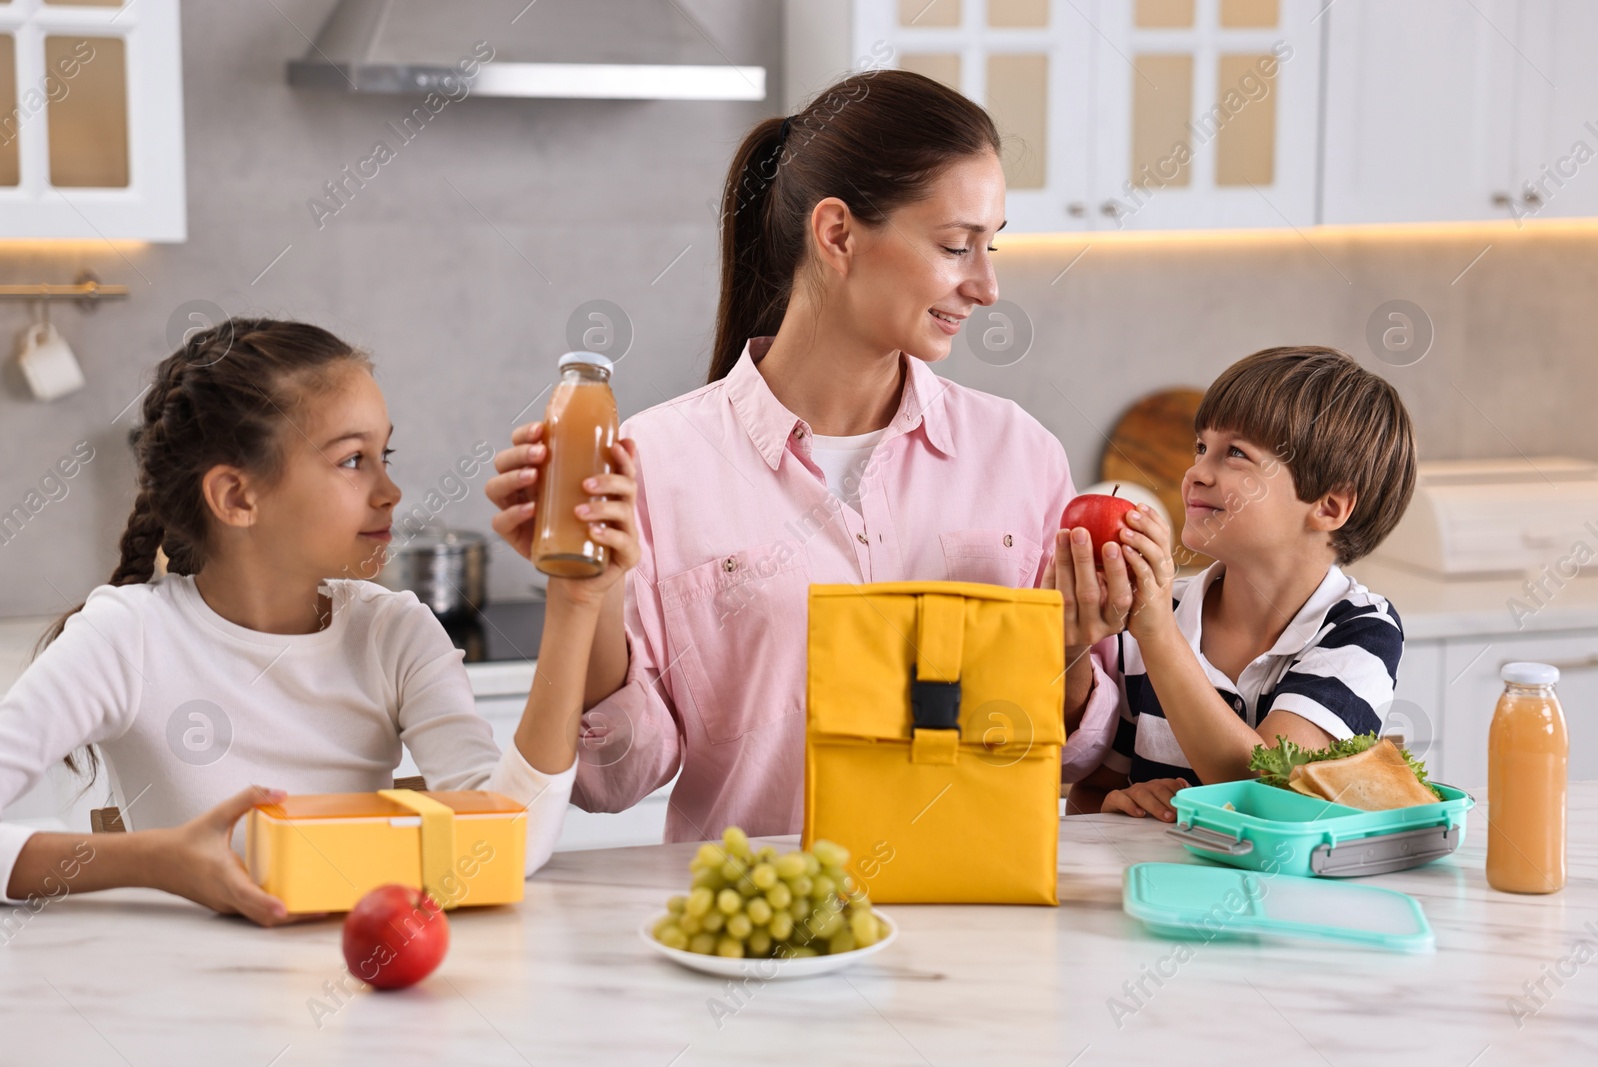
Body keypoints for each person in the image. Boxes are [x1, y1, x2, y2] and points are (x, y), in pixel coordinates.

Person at [486, 70, 1128, 842]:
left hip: (977, 924)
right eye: (957, 246)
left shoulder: (1019, 454)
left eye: (989, 246)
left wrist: (1063, 653)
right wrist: (589, 595)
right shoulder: (654, 463)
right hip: (766, 932)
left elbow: (1076, 755)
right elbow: (609, 778)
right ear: (836, 235)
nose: (987, 286)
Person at [0, 319, 639, 924]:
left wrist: (575, 605)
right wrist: (157, 863)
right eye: (352, 460)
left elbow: (509, 842)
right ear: (237, 497)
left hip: (369, 983)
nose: (390, 492)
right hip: (181, 1001)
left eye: (385, 453)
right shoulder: (128, 638)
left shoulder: (394, 632)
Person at [1068, 346, 1418, 821]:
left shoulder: (1360, 631)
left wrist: (1157, 635)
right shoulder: (1159, 611)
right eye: (1200, 447)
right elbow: (1090, 794)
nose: (1195, 473)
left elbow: (1268, 787)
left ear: (1329, 508)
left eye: (1235, 454)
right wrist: (1116, 803)